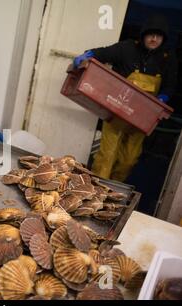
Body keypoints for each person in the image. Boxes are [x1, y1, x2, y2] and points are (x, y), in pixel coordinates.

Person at [74, 14, 178, 182]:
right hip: (116, 113)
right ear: (143, 35)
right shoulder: (127, 48)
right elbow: (102, 53)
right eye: (150, 34)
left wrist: (164, 97)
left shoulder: (168, 59)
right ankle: (94, 191)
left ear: (163, 39)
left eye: (158, 36)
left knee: (128, 160)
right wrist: (87, 55)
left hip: (142, 119)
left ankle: (111, 193)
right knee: (107, 155)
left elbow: (170, 84)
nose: (154, 39)